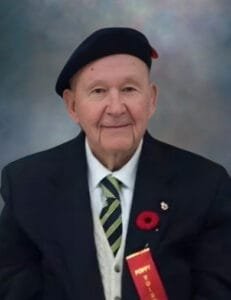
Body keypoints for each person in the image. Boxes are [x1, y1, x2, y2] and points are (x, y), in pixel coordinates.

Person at [0, 27, 231, 300]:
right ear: (72, 106)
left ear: (152, 99)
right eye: (98, 91)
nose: (116, 108)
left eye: (129, 89)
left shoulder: (206, 184)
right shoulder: (27, 183)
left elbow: (218, 291)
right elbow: (12, 287)